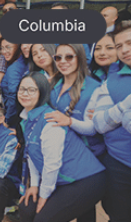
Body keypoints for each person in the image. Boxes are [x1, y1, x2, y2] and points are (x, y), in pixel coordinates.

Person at [17, 72, 106, 222]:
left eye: (32, 90)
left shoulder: (50, 119)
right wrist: (33, 185)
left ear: (42, 92)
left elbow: (52, 164)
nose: (25, 93)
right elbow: (31, 153)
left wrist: (44, 196)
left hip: (86, 180)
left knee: (43, 219)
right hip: (64, 179)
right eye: (22, 89)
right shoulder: (27, 118)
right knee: (26, 208)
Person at [93, 20, 131, 221]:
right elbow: (99, 123)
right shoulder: (112, 79)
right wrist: (125, 106)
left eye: (129, 43)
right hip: (119, 163)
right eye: (119, 46)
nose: (125, 50)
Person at [49, 44, 105, 159]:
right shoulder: (53, 85)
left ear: (79, 58)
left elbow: (93, 129)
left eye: (69, 57)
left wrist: (69, 121)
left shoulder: (94, 88)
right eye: (58, 58)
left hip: (89, 156)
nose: (62, 61)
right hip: (61, 152)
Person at [0, 38, 28, 127]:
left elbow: (13, 96)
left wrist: (7, 120)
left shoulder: (13, 69)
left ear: (18, 46)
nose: (4, 51)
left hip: (13, 118)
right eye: (2, 48)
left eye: (8, 47)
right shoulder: (24, 61)